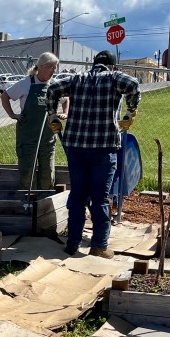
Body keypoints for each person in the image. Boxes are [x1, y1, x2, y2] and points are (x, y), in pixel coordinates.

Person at [46, 50, 140, 258]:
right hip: (104, 148)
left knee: (78, 195)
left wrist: (53, 114)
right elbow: (133, 84)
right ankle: (99, 246)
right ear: (112, 66)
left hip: (76, 148)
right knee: (100, 198)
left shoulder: (76, 80)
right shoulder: (115, 79)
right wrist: (130, 111)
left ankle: (72, 244)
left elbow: (52, 88)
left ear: (94, 64)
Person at [0, 52, 67, 191]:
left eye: (55, 67)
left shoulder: (54, 85)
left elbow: (66, 99)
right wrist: (13, 115)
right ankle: (28, 202)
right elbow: (5, 96)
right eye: (51, 67)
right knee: (27, 172)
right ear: (41, 67)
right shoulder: (26, 83)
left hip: (47, 138)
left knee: (47, 173)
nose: (54, 70)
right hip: (27, 138)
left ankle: (45, 202)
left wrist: (65, 113)